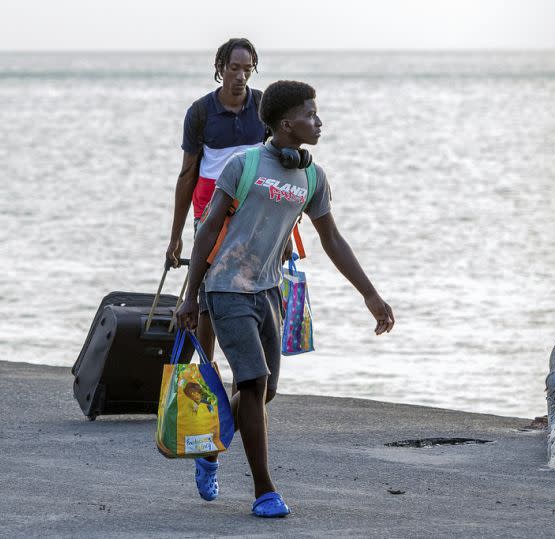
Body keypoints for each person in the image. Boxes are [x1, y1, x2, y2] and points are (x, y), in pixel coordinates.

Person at [176, 80, 395, 517]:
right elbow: (207, 231)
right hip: (225, 287)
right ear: (285, 123)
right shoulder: (245, 164)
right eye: (311, 114)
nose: (319, 121)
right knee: (252, 383)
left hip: (269, 290)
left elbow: (331, 237)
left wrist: (370, 294)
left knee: (267, 390)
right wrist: (190, 296)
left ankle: (211, 447)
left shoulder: (312, 175)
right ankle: (264, 492)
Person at [166, 37, 266, 361]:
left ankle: (247, 387)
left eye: (247, 69)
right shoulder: (200, 112)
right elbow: (187, 176)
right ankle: (208, 376)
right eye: (234, 68)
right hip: (210, 214)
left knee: (255, 294)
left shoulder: (264, 108)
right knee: (208, 297)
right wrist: (176, 237)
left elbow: (277, 164)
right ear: (220, 68)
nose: (240, 76)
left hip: (253, 216)